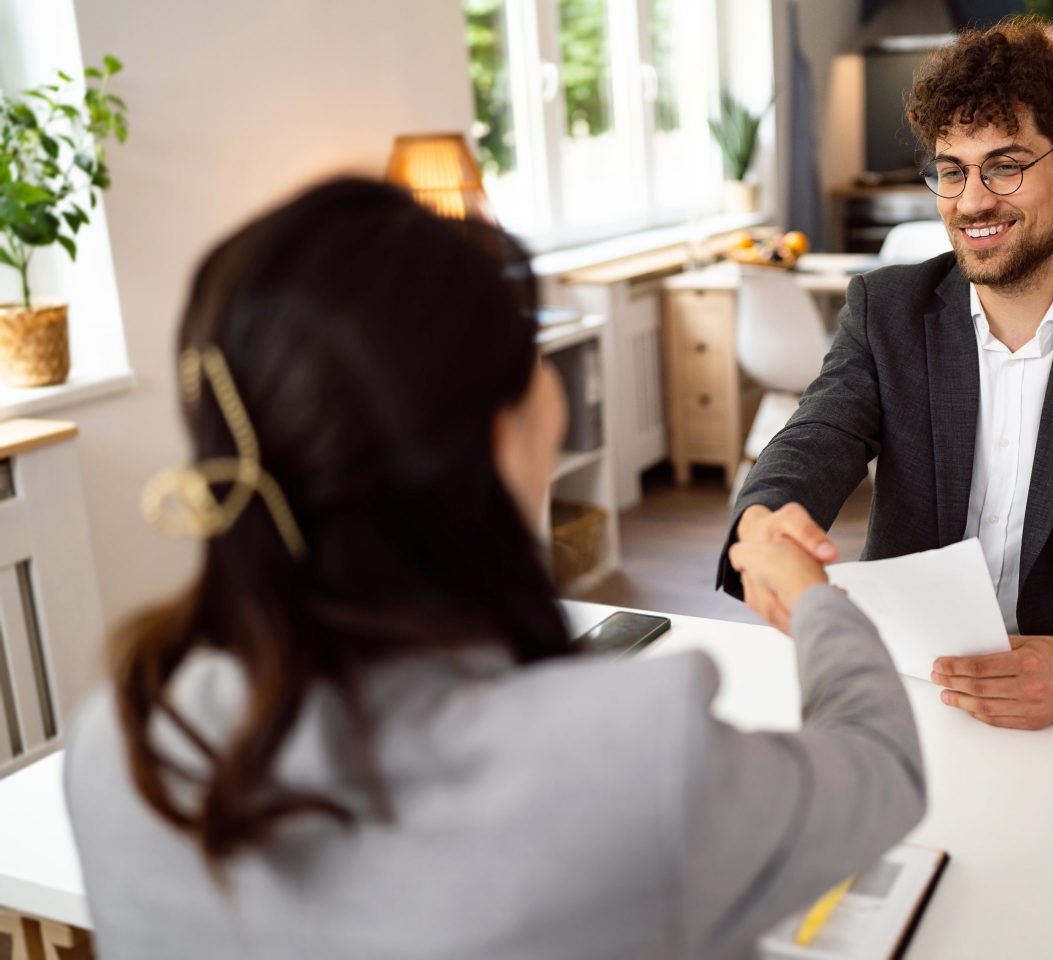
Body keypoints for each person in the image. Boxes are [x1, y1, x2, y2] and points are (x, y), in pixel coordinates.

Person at [64, 178, 924, 960]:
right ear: (493, 432)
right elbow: (882, 768)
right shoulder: (624, 761)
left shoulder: (123, 741)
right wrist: (814, 601)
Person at [719, 20, 1053, 729]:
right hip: (912, 692)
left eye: (1005, 166)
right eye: (952, 170)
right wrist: (761, 521)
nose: (971, 201)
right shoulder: (887, 310)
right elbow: (816, 435)